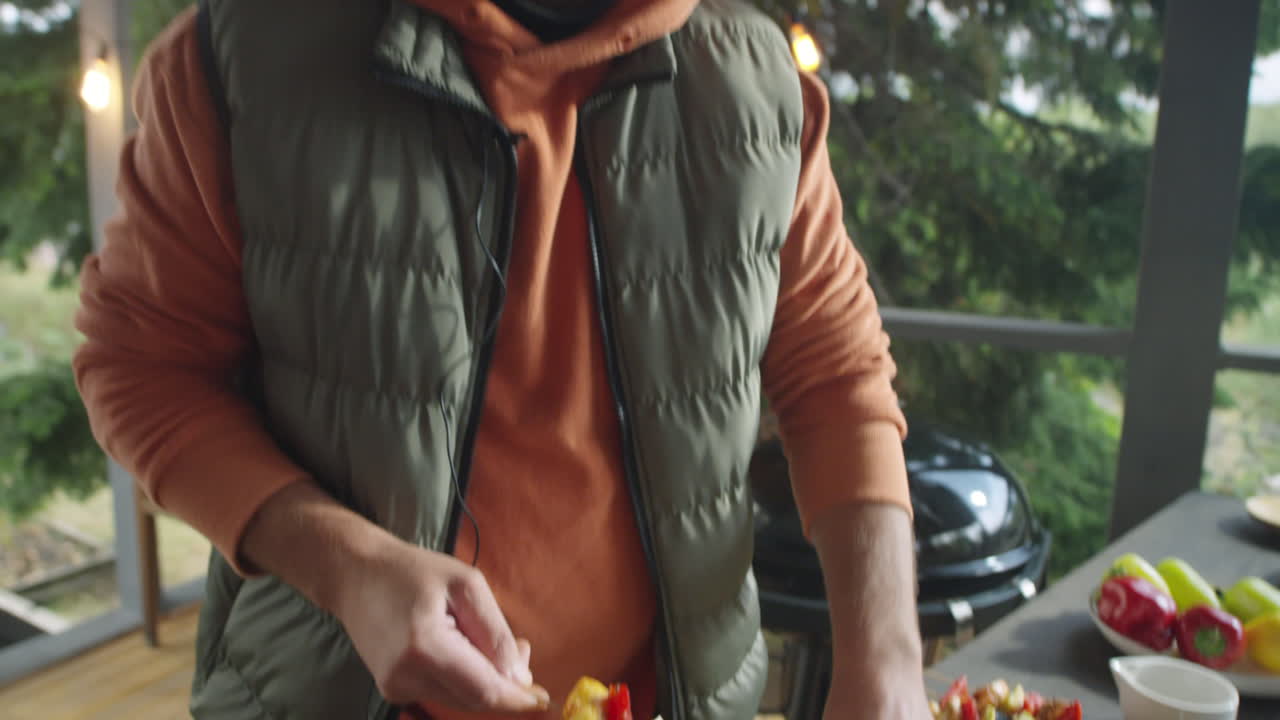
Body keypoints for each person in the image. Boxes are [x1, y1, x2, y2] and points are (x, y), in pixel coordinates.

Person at [73, 0, 930, 718]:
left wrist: (886, 659)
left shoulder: (755, 84)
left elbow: (838, 377)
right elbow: (138, 364)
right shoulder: (245, 55)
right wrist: (348, 567)